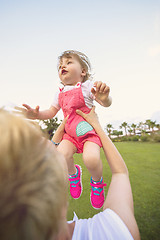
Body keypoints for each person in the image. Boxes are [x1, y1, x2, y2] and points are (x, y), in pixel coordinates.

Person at [0, 108, 140, 240]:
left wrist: (61, 130)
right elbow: (120, 173)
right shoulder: (115, 232)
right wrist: (96, 124)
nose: (54, 145)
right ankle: (93, 182)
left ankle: (76, 174)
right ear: (57, 189)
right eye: (48, 150)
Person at [22, 50, 112, 209]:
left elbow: (105, 103)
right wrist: (37, 115)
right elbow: (51, 112)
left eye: (68, 62)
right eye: (60, 66)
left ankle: (97, 184)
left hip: (89, 134)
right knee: (62, 156)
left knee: (91, 159)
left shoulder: (87, 87)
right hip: (69, 136)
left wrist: (105, 98)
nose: (63, 66)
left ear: (83, 72)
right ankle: (74, 174)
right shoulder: (59, 93)